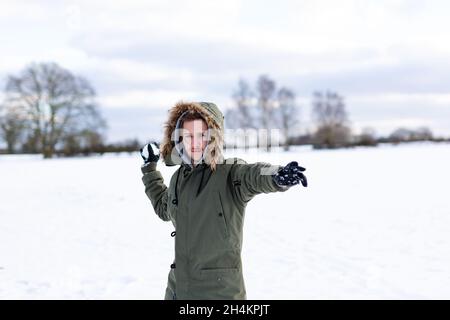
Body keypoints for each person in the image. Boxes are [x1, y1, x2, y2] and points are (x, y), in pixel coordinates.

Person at [139, 101, 307, 300]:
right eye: (188, 136)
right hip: (177, 290)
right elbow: (163, 208)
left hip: (219, 294)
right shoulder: (178, 179)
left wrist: (277, 174)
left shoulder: (229, 172)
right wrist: (150, 169)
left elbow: (253, 174)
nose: (195, 142)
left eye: (202, 135)